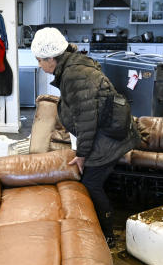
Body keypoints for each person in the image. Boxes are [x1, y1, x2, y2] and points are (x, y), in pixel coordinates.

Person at [32, 27, 139, 247]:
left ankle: (108, 237)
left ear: (51, 58)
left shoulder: (74, 75)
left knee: (90, 184)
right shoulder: (73, 67)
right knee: (90, 181)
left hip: (109, 138)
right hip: (107, 131)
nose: (40, 65)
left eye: (40, 60)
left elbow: (87, 121)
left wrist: (81, 155)